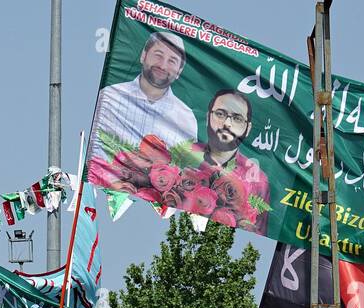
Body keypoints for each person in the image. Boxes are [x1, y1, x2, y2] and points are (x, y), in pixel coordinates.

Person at [89, 31, 195, 164]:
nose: (162, 66)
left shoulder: (186, 119)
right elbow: (97, 154)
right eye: (158, 55)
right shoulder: (111, 97)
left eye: (172, 61)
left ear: (179, 71)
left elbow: (186, 168)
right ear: (143, 56)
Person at [185, 89, 270, 231]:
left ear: (247, 129)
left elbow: (256, 234)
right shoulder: (182, 155)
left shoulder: (259, 181)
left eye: (237, 118)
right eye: (220, 114)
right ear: (207, 117)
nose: (227, 123)